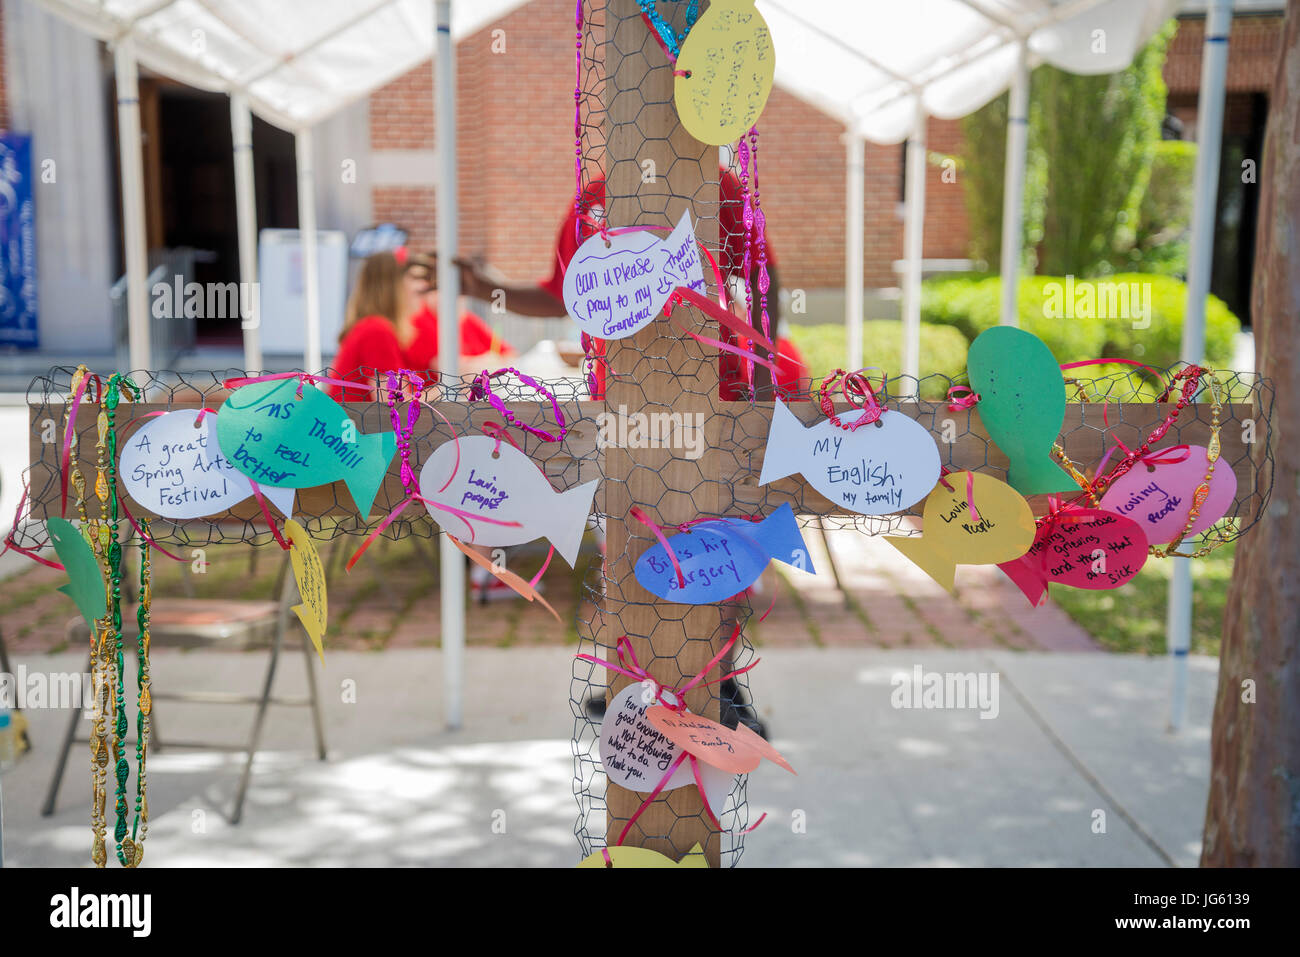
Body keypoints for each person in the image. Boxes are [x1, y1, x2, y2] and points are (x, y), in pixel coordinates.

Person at [456, 170, 808, 401]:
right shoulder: (594, 198)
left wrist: (764, 379)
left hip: (717, 389)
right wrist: (482, 288)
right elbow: (563, 296)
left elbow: (762, 281)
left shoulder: (719, 185)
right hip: (619, 395)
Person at [330, 251, 426, 402]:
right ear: (393, 286)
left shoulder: (372, 327)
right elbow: (393, 404)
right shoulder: (376, 331)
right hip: (358, 424)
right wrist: (443, 392)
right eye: (415, 278)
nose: (423, 286)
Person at [403, 251, 514, 375]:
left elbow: (511, 356)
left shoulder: (467, 319)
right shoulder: (420, 321)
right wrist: (490, 360)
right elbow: (450, 369)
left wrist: (479, 363)